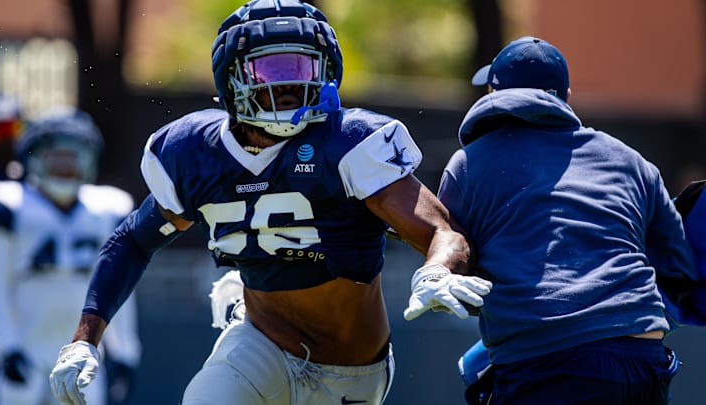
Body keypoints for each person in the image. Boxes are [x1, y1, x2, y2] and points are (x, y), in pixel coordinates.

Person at [48, 1, 492, 404]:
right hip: (257, 344)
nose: (290, 82)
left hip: (349, 372)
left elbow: (442, 232)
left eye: (301, 66)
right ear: (232, 77)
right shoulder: (193, 154)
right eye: (272, 69)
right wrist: (84, 339)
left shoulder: (348, 144)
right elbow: (133, 242)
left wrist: (438, 270)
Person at [433, 36, 697, 404]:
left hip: (545, 363)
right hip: (643, 357)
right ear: (566, 97)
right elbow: (681, 268)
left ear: (492, 91)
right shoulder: (633, 161)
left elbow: (452, 249)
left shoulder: (467, 165)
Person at [0, 107, 142, 405]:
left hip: (82, 353)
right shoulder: (10, 207)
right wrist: (7, 346)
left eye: (74, 157)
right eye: (56, 157)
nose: (65, 166)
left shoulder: (105, 211)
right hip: (25, 346)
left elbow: (117, 288)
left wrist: (124, 351)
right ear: (33, 158)